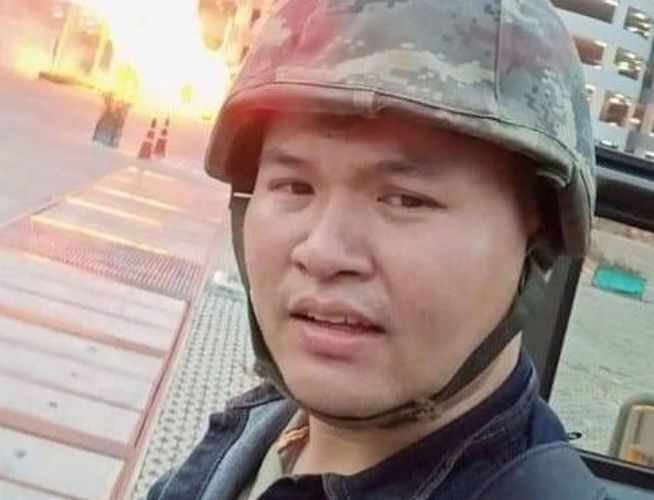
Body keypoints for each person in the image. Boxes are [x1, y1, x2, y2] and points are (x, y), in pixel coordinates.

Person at [148, 0, 607, 498]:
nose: (323, 253)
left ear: (536, 235)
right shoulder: (256, 433)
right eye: (295, 186)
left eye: (405, 200)